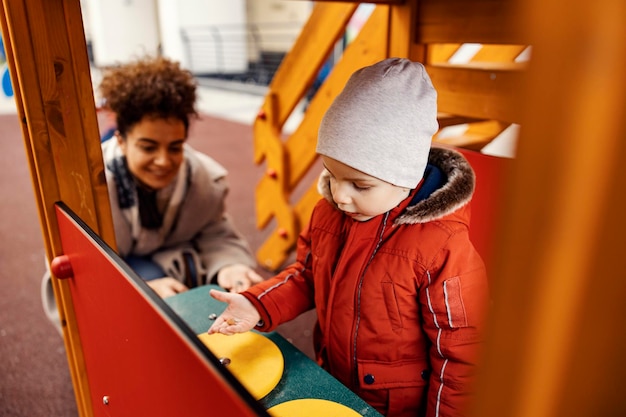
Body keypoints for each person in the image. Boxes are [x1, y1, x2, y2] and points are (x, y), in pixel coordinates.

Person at [207, 58, 489, 417]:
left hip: (397, 406)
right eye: (332, 174)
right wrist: (257, 304)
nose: (340, 195)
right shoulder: (329, 215)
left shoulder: (441, 245)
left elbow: (459, 352)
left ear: (407, 176)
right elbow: (306, 276)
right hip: (335, 379)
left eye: (360, 184)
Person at [97, 55, 263, 298]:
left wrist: (230, 265)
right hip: (116, 276)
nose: (164, 161)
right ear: (121, 141)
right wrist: (140, 287)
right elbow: (78, 268)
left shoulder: (203, 180)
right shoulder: (91, 186)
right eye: (148, 147)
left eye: (175, 147)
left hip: (170, 262)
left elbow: (215, 232)